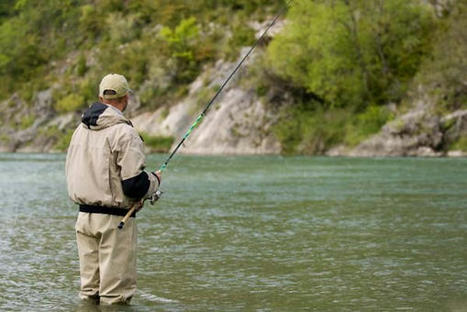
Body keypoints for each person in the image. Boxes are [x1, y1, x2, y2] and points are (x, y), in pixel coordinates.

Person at [65, 73, 161, 304]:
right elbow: (134, 186)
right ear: (126, 97)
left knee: (89, 293)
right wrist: (155, 181)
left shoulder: (80, 130)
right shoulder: (124, 132)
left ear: (100, 97)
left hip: (84, 219)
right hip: (114, 222)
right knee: (114, 297)